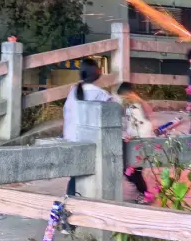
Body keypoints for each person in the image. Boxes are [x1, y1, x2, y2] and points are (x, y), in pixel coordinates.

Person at [62, 58, 114, 195]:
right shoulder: (101, 95)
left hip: (71, 138)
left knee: (76, 174)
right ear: (97, 73)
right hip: (90, 142)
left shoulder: (73, 91)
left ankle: (71, 195)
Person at [116, 83, 156, 204]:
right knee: (134, 170)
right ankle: (143, 192)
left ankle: (145, 193)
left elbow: (135, 126)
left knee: (131, 170)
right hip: (142, 140)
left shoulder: (131, 105)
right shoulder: (138, 103)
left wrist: (129, 135)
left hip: (137, 140)